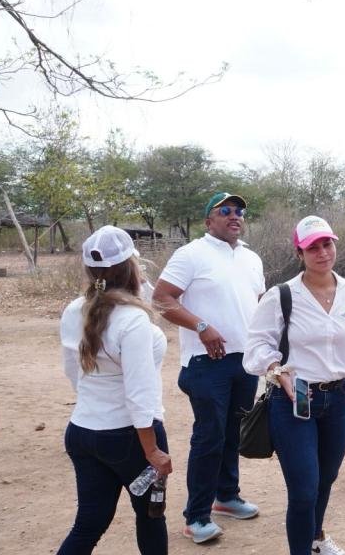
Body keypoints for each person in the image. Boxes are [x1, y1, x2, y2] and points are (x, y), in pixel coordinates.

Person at [244, 215, 345, 555]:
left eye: (327, 244)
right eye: (313, 247)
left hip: (337, 398)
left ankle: (315, 538)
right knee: (303, 490)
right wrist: (278, 370)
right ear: (300, 253)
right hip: (295, 398)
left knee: (325, 480)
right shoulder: (282, 295)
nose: (322, 252)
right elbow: (256, 347)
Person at [152, 192, 265, 543]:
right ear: (208, 221)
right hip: (207, 362)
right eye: (226, 210)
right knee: (210, 436)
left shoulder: (251, 258)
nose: (235, 216)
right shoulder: (191, 254)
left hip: (244, 360)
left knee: (234, 431)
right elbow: (161, 298)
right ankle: (196, 516)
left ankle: (226, 497)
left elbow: (258, 305)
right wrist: (201, 327)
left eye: (240, 211)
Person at [58, 226, 172, 554]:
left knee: (89, 523)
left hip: (83, 430)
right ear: (132, 266)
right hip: (131, 437)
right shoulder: (133, 320)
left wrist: (94, 403)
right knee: (151, 518)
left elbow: (72, 369)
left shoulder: (74, 309)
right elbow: (140, 392)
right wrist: (152, 451)